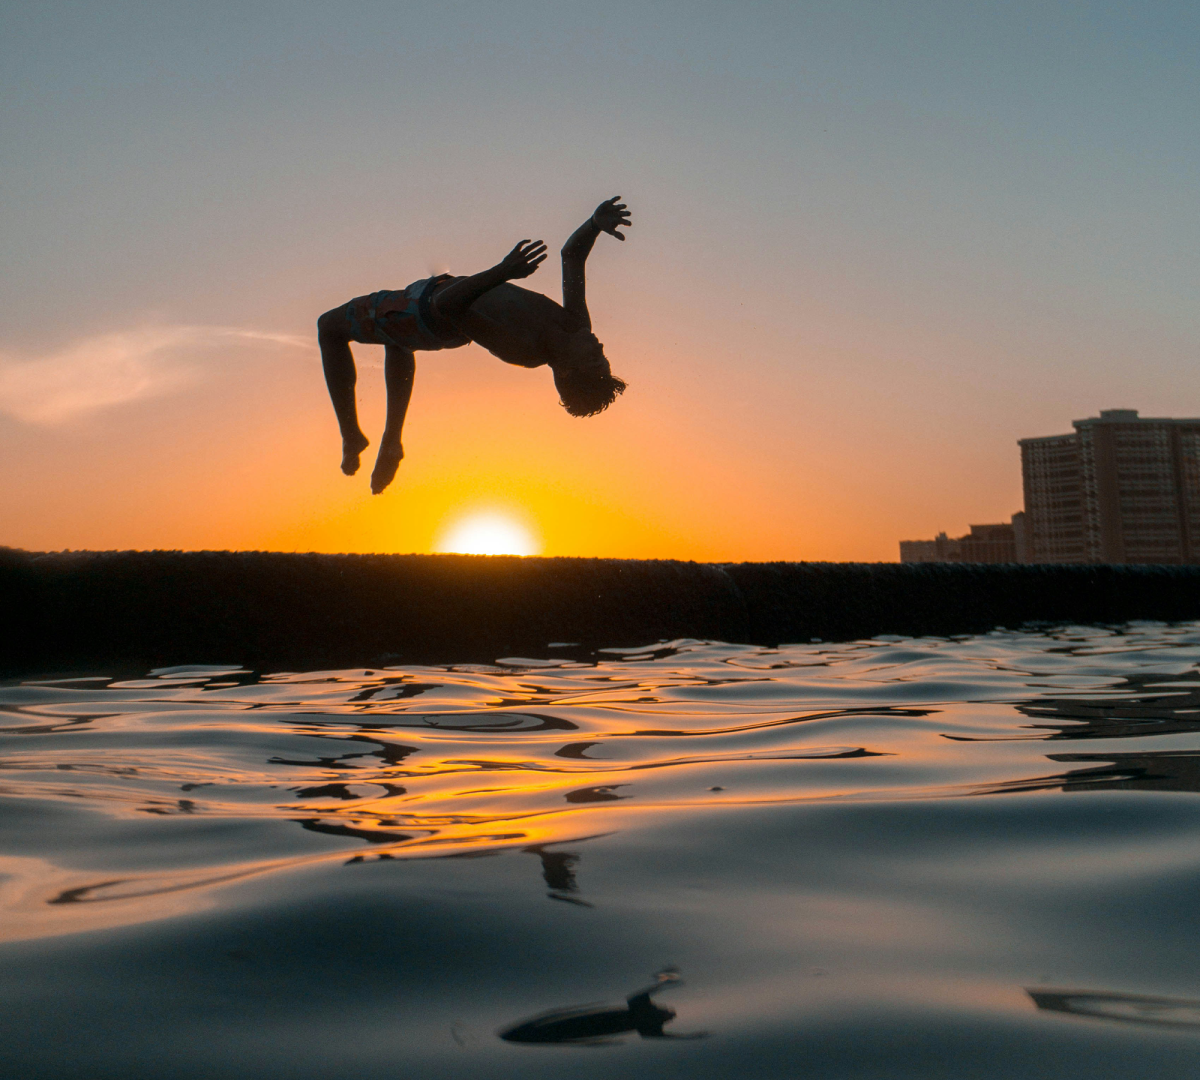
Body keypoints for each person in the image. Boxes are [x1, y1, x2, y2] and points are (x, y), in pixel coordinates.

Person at [316, 197, 632, 494]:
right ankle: (391, 440)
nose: (599, 346)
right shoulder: (576, 324)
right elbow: (572, 256)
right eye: (603, 356)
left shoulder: (524, 349)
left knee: (329, 327)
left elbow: (447, 305)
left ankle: (352, 435)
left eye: (595, 357)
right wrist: (593, 224)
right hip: (432, 316)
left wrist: (504, 271)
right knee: (398, 343)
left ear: (566, 368)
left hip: (422, 312)